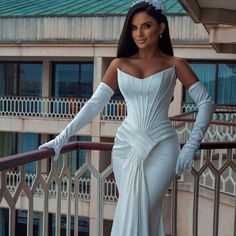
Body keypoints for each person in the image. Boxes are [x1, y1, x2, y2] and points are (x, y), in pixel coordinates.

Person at [39, 0, 215, 235]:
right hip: (126, 147)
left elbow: (206, 102)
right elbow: (94, 105)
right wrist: (61, 138)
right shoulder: (119, 64)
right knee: (136, 210)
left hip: (162, 147)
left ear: (161, 28)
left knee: (140, 208)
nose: (139, 33)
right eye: (133, 27)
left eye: (146, 26)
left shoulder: (175, 64)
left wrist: (190, 146)